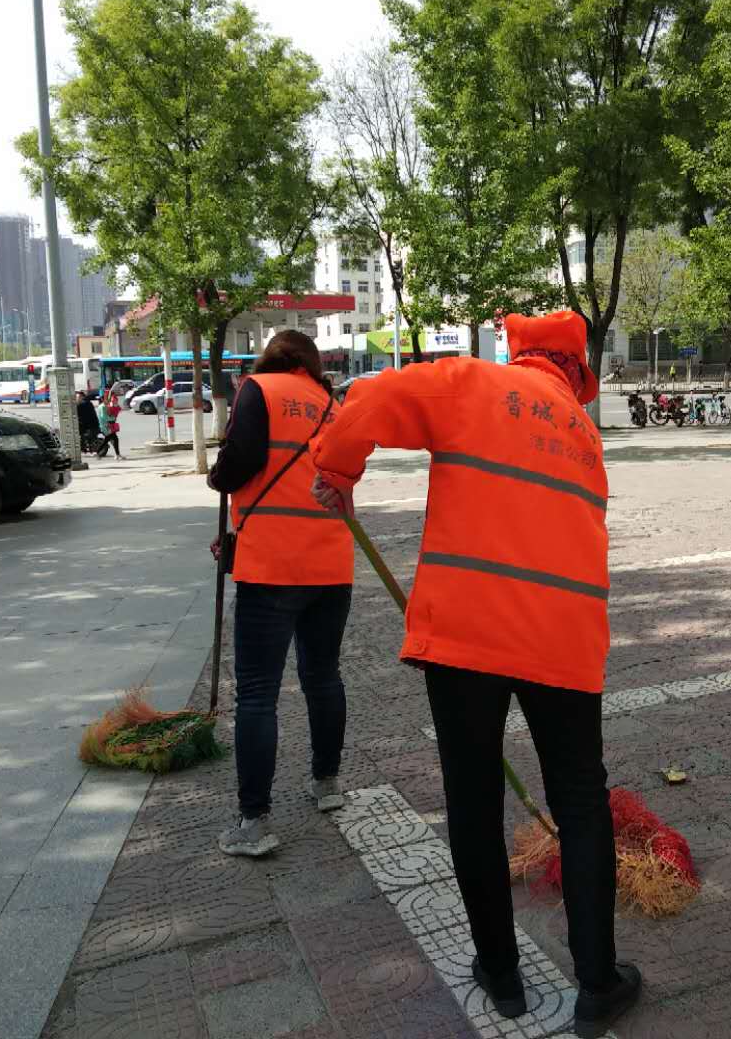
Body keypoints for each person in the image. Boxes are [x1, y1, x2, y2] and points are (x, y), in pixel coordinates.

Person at [310, 310, 640, 1039]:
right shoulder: (584, 435)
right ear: (576, 372)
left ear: (517, 352)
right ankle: (598, 984)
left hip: (467, 636)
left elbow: (366, 397)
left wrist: (336, 468)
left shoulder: (471, 384)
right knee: (581, 804)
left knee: (473, 799)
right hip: (564, 640)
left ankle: (501, 973)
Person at [207, 330, 353, 858]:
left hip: (272, 565)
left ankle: (254, 822)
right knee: (323, 677)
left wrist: (217, 476)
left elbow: (240, 461)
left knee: (257, 693)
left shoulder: (259, 390)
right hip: (331, 563)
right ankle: (327, 784)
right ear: (310, 364)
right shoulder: (332, 406)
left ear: (270, 358)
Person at [97, 384, 125, 460]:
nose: (108, 400)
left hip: (107, 426)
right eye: (107, 399)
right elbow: (104, 417)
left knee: (113, 439)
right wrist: (112, 418)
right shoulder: (103, 406)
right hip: (106, 426)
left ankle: (117, 455)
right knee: (110, 440)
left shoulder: (103, 406)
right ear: (103, 399)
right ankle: (98, 452)